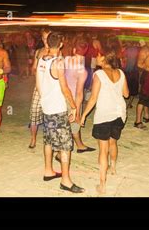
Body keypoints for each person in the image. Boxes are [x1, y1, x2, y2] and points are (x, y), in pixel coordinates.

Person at [36, 31, 84, 193]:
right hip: (57, 108)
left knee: (48, 140)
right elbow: (65, 88)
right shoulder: (58, 62)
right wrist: (74, 106)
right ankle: (66, 180)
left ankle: (48, 170)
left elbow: (38, 85)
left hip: (46, 107)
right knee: (65, 146)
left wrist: (45, 100)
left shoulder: (41, 59)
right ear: (61, 44)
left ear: (48, 44)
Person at [80, 45, 129, 194]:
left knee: (103, 149)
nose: (96, 58)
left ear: (105, 58)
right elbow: (126, 94)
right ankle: (113, 168)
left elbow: (93, 98)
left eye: (99, 55)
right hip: (119, 114)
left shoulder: (99, 74)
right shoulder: (120, 72)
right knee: (113, 142)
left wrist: (83, 115)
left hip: (104, 115)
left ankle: (102, 185)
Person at [64, 37, 95, 153]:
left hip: (63, 95)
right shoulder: (82, 71)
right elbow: (79, 93)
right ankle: (78, 147)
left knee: (65, 123)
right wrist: (76, 109)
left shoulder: (66, 60)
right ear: (86, 51)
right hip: (72, 98)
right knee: (75, 124)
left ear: (73, 50)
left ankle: (79, 145)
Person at [28, 29, 51, 149]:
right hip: (38, 87)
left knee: (51, 114)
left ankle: (50, 139)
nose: (46, 40)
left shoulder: (56, 52)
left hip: (51, 89)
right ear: (42, 38)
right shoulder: (38, 51)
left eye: (48, 37)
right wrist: (36, 70)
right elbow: (33, 68)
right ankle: (33, 139)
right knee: (34, 113)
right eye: (44, 37)